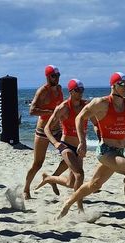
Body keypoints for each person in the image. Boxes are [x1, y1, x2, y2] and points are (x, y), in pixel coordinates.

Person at [56, 72, 125, 228]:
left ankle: (69, 201)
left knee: (94, 185)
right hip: (105, 150)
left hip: (118, 151)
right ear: (113, 86)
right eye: (122, 85)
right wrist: (82, 142)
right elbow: (79, 118)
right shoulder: (101, 103)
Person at [35, 79, 96, 212]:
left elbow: (96, 123)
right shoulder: (63, 107)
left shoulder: (86, 106)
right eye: (78, 90)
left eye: (82, 90)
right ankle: (79, 207)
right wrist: (56, 143)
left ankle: (49, 178)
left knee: (71, 183)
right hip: (66, 145)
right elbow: (47, 128)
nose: (81, 93)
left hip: (79, 147)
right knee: (80, 175)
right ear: (71, 92)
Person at [23, 65, 68, 199]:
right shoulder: (42, 91)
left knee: (71, 156)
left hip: (57, 130)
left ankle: (52, 178)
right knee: (37, 164)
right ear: (48, 77)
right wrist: (50, 112)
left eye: (58, 75)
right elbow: (32, 111)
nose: (57, 78)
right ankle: (26, 189)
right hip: (43, 131)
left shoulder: (59, 89)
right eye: (54, 76)